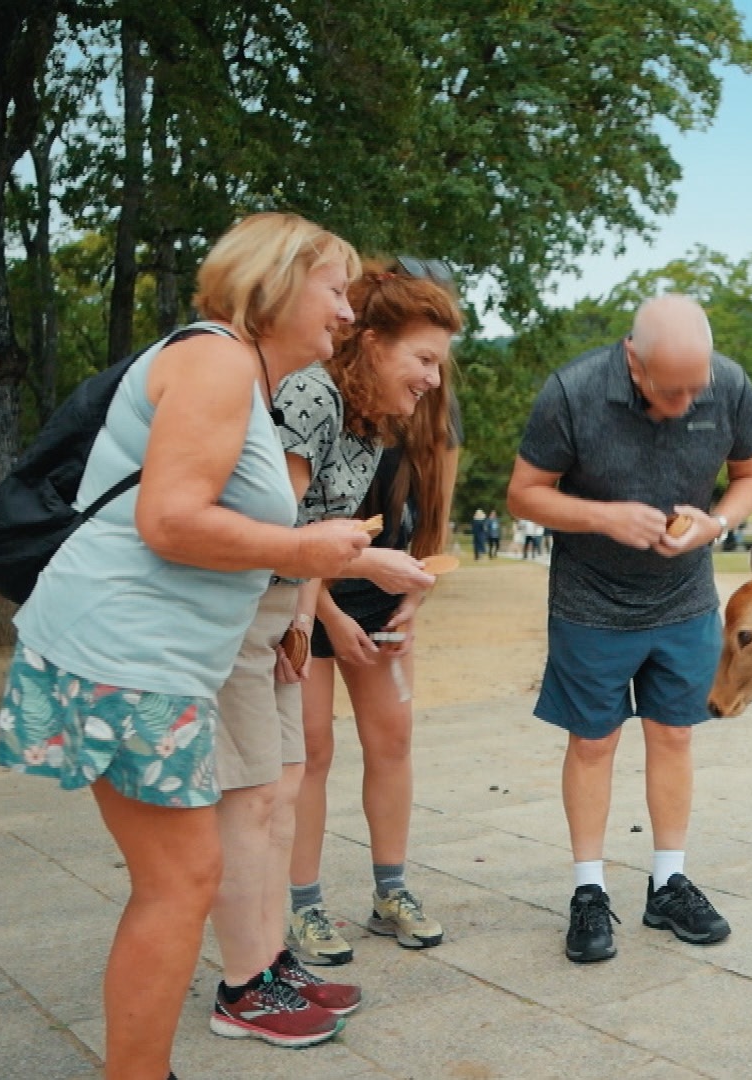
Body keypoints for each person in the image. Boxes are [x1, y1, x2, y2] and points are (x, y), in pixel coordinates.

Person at [0, 213, 388, 1078]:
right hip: (123, 656)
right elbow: (169, 521)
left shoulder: (238, 375)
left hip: (136, 658)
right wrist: (300, 551)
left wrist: (349, 557)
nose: (347, 315)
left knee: (180, 878)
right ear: (278, 282)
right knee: (180, 883)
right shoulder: (214, 360)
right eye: (334, 290)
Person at [506, 293, 752, 964]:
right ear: (632, 360)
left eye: (695, 389)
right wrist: (603, 517)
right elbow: (524, 493)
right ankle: (589, 889)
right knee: (594, 743)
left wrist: (717, 524)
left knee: (676, 734)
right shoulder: (572, 391)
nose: (687, 404)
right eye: (669, 389)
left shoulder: (729, 384)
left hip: (684, 598)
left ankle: (669, 881)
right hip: (591, 600)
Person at [283, 261, 464, 977]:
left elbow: (429, 533)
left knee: (392, 742)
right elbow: (297, 535)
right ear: (374, 337)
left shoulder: (417, 413)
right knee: (311, 750)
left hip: (378, 585)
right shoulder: (316, 399)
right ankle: (303, 901)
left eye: (438, 363)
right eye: (422, 358)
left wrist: (415, 594)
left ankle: (391, 892)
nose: (431, 377)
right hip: (313, 587)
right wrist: (324, 609)